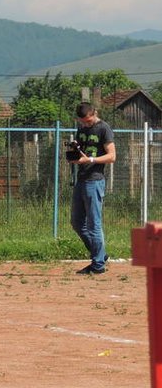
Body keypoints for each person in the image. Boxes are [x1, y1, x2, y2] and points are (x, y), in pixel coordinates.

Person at [69, 102, 116, 275]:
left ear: (94, 113)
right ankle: (100, 255)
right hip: (81, 179)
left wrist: (90, 160)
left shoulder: (104, 128)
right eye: (83, 122)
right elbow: (82, 152)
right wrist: (75, 151)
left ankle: (97, 265)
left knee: (93, 224)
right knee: (76, 222)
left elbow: (112, 156)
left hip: (95, 180)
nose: (86, 124)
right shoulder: (81, 129)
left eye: (88, 121)